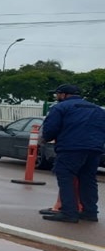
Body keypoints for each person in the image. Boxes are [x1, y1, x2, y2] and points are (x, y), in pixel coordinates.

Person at [40, 84, 105, 223]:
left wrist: (45, 139)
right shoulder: (98, 109)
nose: (56, 97)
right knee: (88, 179)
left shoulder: (60, 107)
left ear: (64, 95)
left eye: (57, 94)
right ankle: (90, 212)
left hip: (71, 148)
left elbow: (51, 128)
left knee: (66, 178)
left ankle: (69, 212)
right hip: (95, 149)